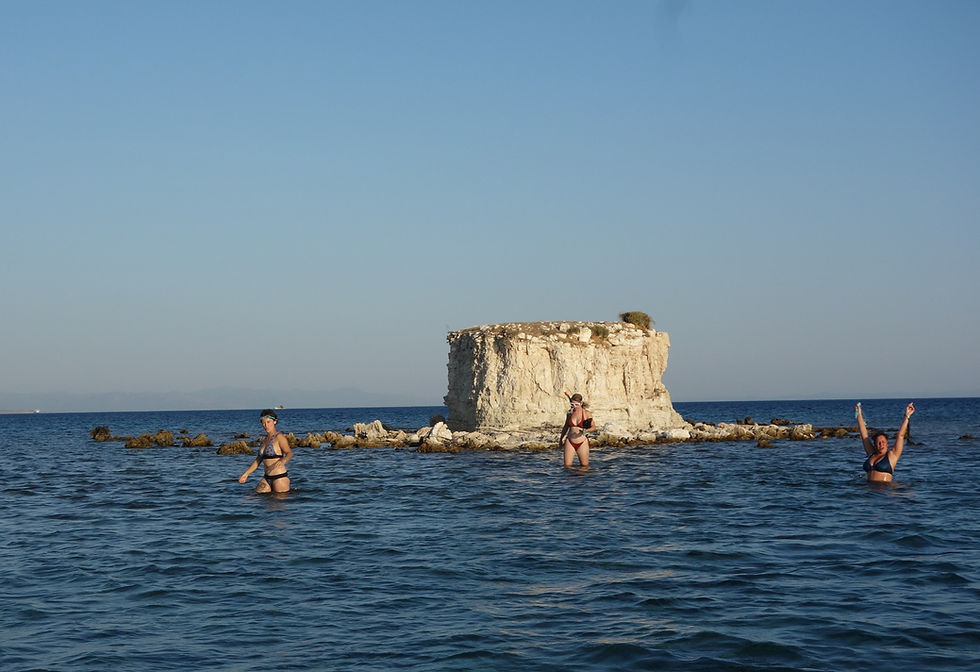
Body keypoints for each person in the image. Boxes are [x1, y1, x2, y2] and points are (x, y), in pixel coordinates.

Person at [855, 401, 915, 483]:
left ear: (887, 444)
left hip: (885, 492)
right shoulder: (871, 453)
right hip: (868, 493)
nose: (881, 444)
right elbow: (864, 435)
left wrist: (907, 416)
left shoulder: (892, 455)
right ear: (875, 445)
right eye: (878, 442)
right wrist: (859, 415)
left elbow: (900, 435)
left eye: (883, 442)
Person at [238, 409, 292, 493]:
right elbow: (258, 460)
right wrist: (246, 474)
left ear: (275, 422)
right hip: (266, 478)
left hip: (279, 477)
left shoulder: (279, 437)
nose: (266, 425)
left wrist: (283, 460)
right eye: (263, 423)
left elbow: (289, 453)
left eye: (268, 422)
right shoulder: (264, 440)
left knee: (277, 504)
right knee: (251, 498)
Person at [559, 393, 595, 468]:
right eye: (572, 404)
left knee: (584, 467)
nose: (574, 407)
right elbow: (566, 427)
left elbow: (593, 427)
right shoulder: (570, 413)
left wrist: (586, 431)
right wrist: (561, 438)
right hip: (569, 441)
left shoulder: (586, 413)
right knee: (567, 466)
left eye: (576, 404)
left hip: (582, 442)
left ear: (581, 403)